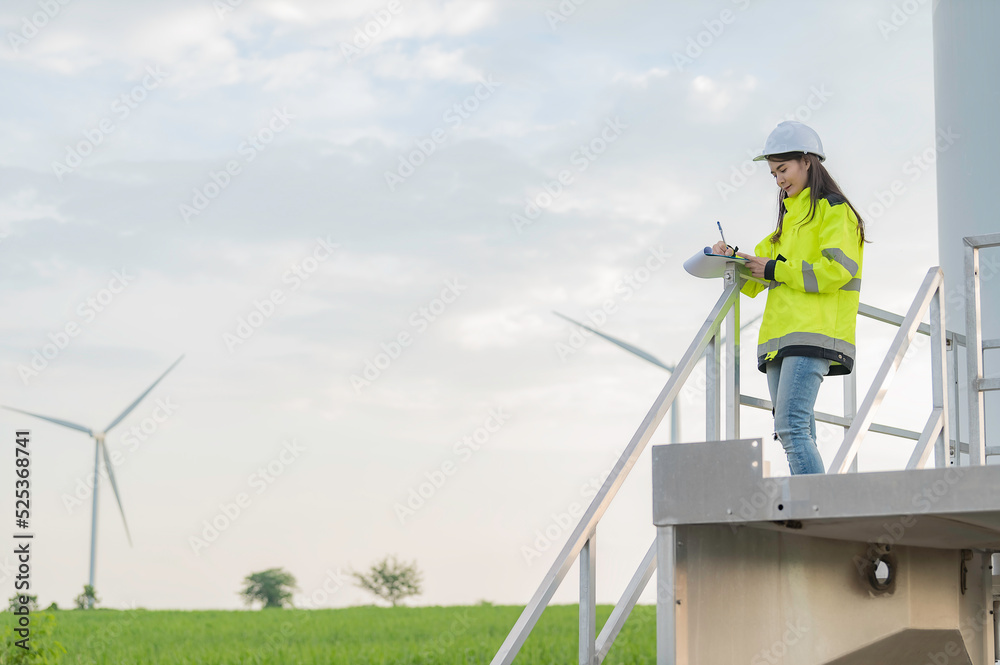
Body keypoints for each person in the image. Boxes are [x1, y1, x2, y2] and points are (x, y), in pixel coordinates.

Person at [712, 120, 868, 475]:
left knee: (790, 426)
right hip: (778, 339)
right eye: (773, 174)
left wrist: (775, 269)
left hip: (814, 332)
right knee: (795, 429)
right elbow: (753, 277)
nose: (779, 179)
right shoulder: (785, 225)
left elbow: (836, 270)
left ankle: (819, 510)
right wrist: (728, 256)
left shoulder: (834, 211)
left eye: (783, 169)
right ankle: (816, 504)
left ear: (807, 161)